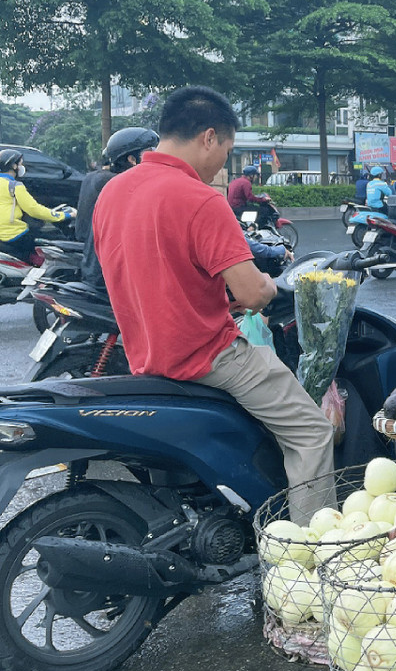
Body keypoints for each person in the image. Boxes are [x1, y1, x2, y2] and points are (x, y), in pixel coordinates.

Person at [92, 86, 334, 523]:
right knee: (312, 431)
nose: (226, 160)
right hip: (206, 355)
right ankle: (311, 556)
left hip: (145, 356)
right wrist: (266, 283)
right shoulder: (201, 199)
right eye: (227, 148)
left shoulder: (113, 192)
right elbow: (252, 295)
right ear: (208, 137)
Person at [78, 127, 159, 290]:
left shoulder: (94, 177)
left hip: (91, 259)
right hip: (108, 275)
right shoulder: (120, 185)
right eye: (150, 152)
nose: (155, 156)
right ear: (132, 159)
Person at [0, 149, 72, 263]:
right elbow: (34, 209)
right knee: (51, 241)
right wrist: (64, 215)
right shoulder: (14, 186)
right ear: (14, 166)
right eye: (20, 164)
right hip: (14, 235)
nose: (22, 166)